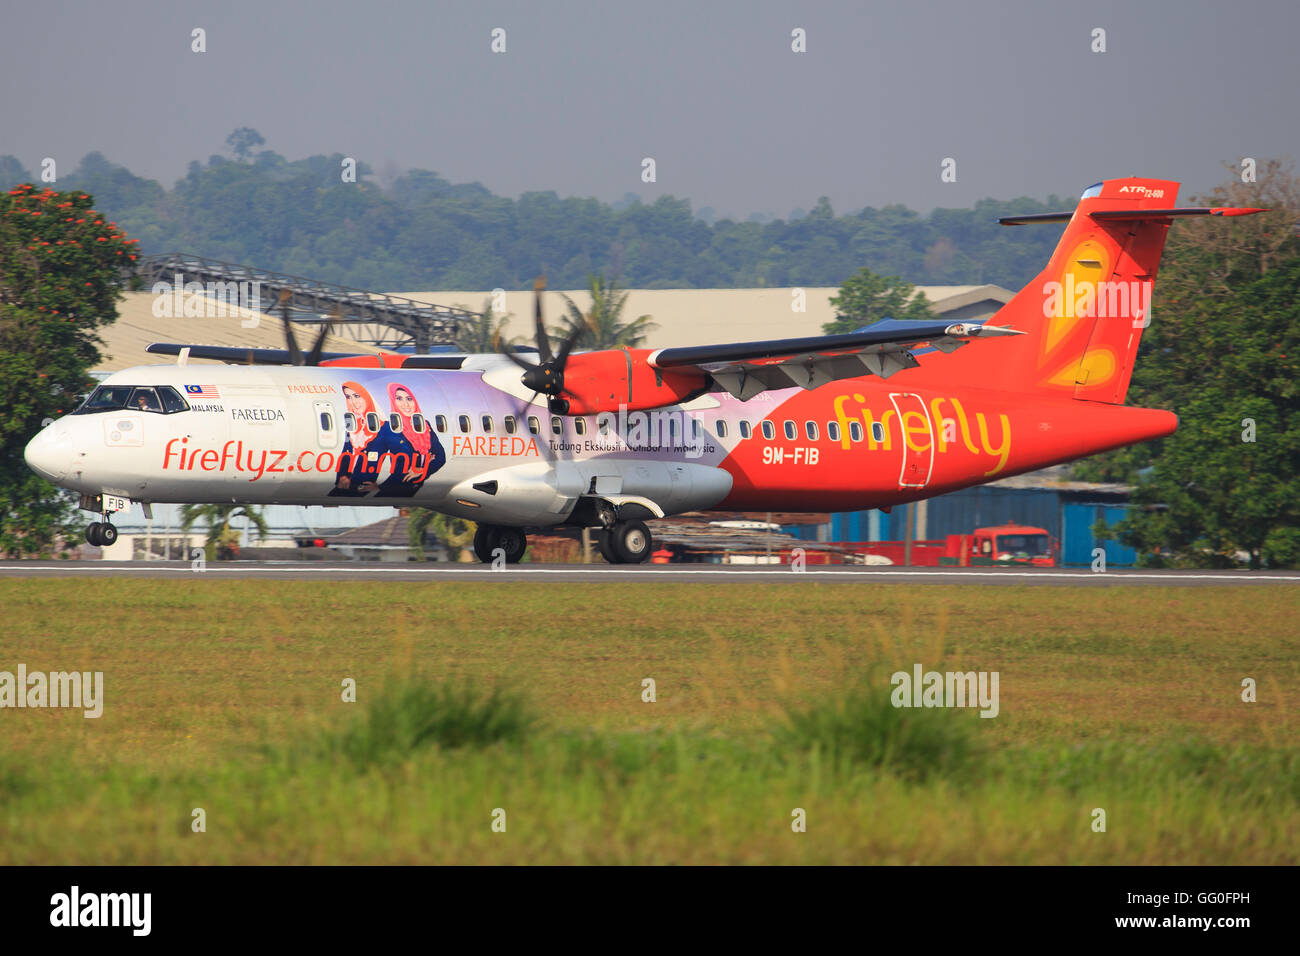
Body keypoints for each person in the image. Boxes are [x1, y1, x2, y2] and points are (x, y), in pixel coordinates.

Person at [370, 383, 445, 497]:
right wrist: (381, 487)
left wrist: (422, 470)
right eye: (399, 399)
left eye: (409, 399)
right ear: (393, 402)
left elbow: (441, 457)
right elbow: (374, 458)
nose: (406, 404)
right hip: (393, 489)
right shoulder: (389, 428)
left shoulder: (425, 426)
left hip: (413, 489)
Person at [330, 381, 382, 496]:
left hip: (365, 490)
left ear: (367, 398)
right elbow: (345, 456)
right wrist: (342, 477)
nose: (354, 402)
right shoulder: (352, 428)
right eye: (348, 397)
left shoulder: (384, 428)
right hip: (346, 489)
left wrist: (381, 488)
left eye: (357, 396)